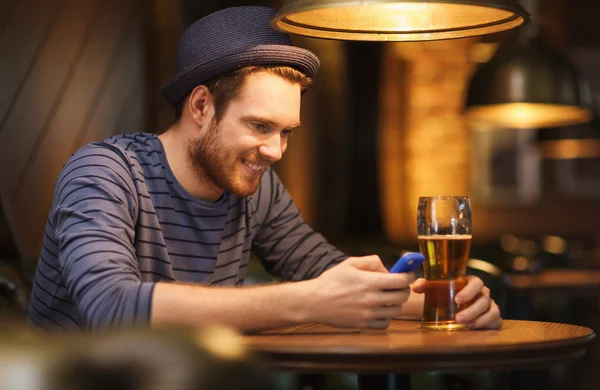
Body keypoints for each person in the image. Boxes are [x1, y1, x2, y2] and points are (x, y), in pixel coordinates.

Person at [28, 6, 501, 332]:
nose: (275, 150)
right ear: (200, 106)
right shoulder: (104, 172)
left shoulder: (257, 189)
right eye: (259, 125)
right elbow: (110, 307)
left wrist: (450, 302)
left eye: (286, 131)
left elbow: (332, 278)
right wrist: (309, 300)